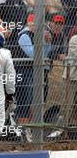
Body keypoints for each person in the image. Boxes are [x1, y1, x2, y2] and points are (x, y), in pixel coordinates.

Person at [15, 13, 52, 142]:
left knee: (34, 101)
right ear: (30, 23)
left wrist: (46, 42)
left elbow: (45, 54)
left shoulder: (37, 35)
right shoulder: (24, 35)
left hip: (34, 72)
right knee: (25, 101)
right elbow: (32, 54)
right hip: (23, 71)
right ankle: (24, 131)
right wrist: (41, 41)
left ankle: (29, 130)